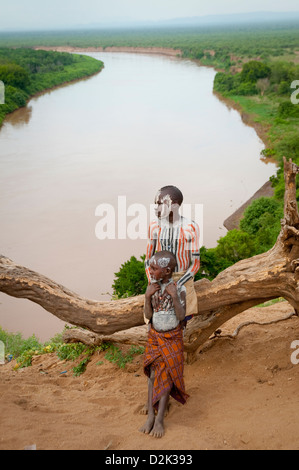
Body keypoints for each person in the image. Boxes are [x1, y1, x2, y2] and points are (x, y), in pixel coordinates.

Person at [139, 250, 189, 438]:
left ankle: (159, 419)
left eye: (154, 268)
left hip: (172, 337)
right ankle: (151, 415)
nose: (150, 271)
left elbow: (182, 316)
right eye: (150, 267)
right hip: (155, 337)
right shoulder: (151, 288)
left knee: (166, 377)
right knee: (152, 375)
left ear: (167, 271)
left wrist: (174, 296)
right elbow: (149, 316)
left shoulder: (179, 289)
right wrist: (146, 297)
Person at [145, 185, 200, 321]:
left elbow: (195, 263)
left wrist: (178, 284)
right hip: (158, 277)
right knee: (154, 318)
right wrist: (152, 281)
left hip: (182, 277)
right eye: (155, 204)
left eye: (160, 204)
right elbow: (148, 259)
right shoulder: (154, 226)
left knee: (182, 318)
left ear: (174, 206)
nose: (156, 208)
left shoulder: (190, 227)